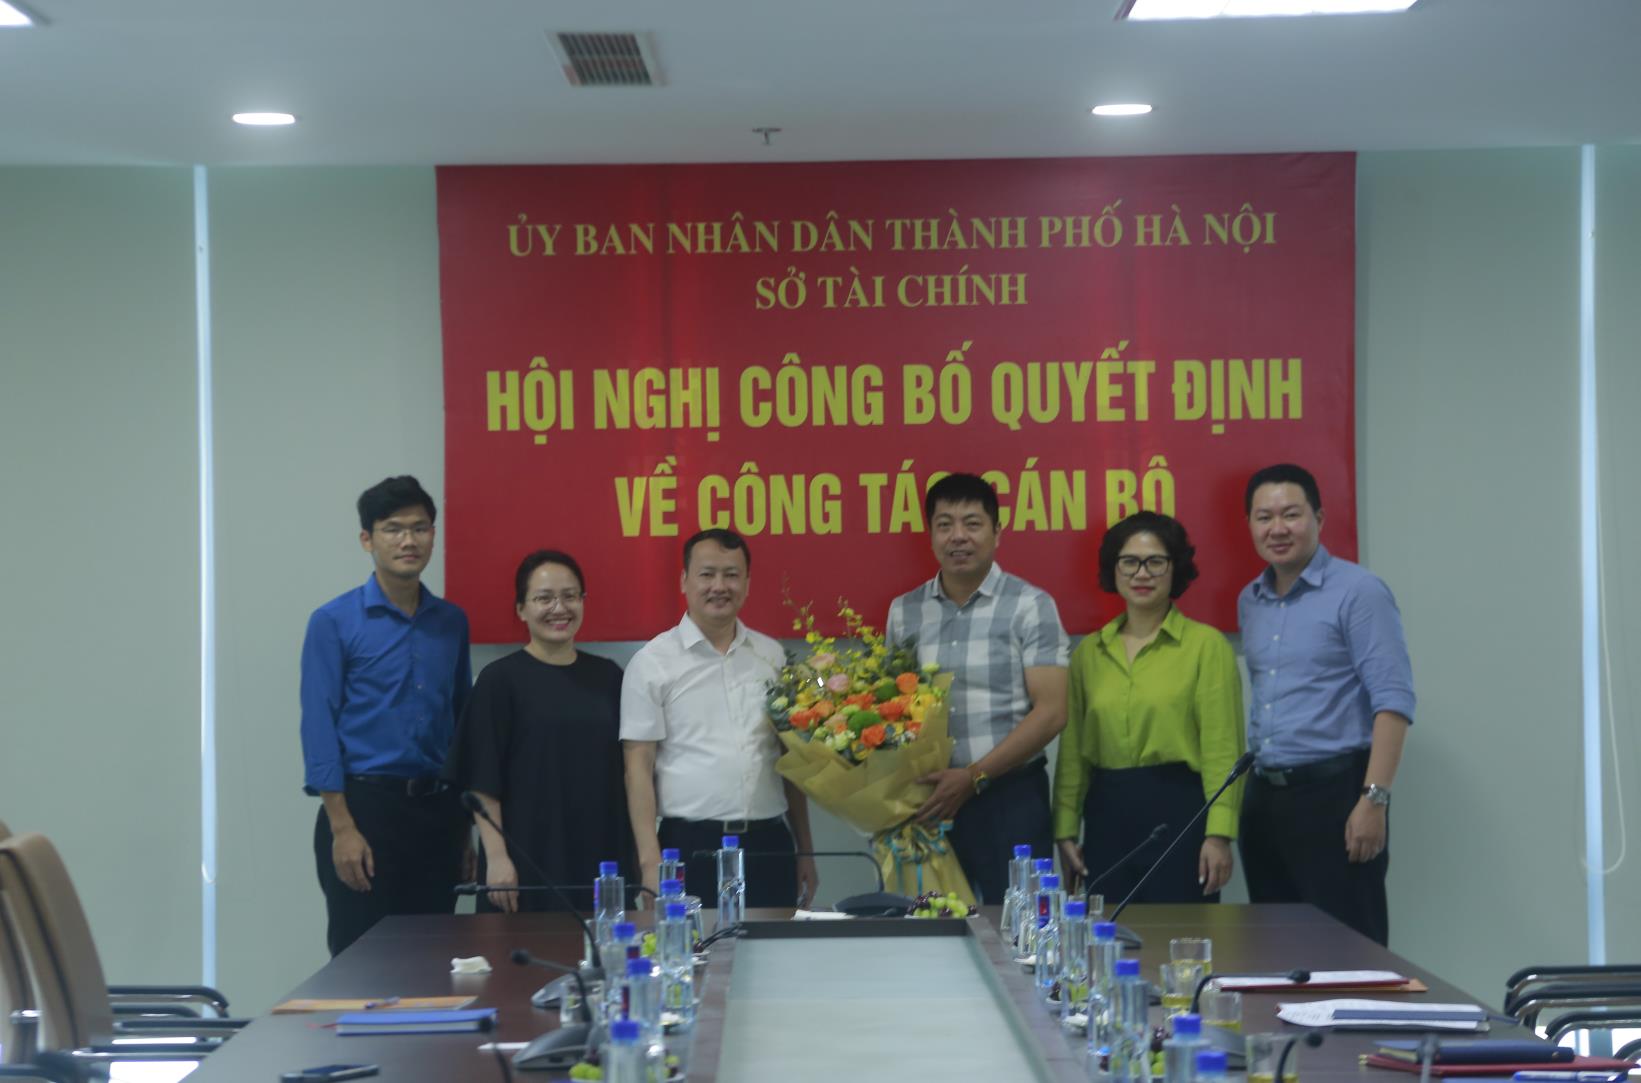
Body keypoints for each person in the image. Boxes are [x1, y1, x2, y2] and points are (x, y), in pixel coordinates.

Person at [1237, 463, 1414, 946]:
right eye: (1264, 517)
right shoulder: (1251, 600)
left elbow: (1393, 701)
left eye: (1291, 514)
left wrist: (1374, 799)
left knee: (1349, 954)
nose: (1277, 528)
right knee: (1274, 952)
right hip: (1264, 800)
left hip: (1336, 797)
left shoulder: (1359, 591)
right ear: (1249, 525)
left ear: (1318, 518)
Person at [299, 476, 472, 956]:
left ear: (433, 535)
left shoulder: (451, 622)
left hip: (437, 814)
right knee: (362, 964)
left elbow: (461, 725)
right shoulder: (333, 622)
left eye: (419, 528)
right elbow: (318, 727)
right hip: (364, 811)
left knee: (434, 959)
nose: (408, 540)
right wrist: (342, 828)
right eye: (393, 529)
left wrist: (464, 830)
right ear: (367, 539)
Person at [885, 473, 1069, 904]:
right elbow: (894, 710)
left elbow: (1051, 712)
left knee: (1019, 925)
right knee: (931, 924)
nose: (958, 537)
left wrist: (973, 776)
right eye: (944, 524)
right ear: (931, 535)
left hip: (1010, 799)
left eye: (972, 523)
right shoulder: (904, 611)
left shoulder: (1030, 605)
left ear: (997, 532)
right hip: (930, 803)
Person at [620, 529, 819, 908]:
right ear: (684, 581)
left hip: (770, 844)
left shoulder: (772, 656)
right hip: (689, 848)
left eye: (731, 575)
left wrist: (805, 850)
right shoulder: (652, 663)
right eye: (707, 574)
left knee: (774, 946)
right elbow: (637, 768)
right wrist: (649, 862)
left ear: (747, 583)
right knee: (695, 946)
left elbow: (790, 760)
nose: (719, 586)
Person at [1052, 512, 1244, 905]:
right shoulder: (1089, 653)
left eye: (1156, 561)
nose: (1142, 573)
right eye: (1130, 562)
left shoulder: (1206, 647)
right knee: (1109, 935)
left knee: (1181, 935)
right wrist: (1065, 829)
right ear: (1114, 569)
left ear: (1175, 568)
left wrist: (1219, 834)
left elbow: (1223, 750)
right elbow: (1072, 754)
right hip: (1106, 817)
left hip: (1181, 815)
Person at [443, 550, 627, 913]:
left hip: (600, 857)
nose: (559, 608)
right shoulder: (498, 681)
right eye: (544, 598)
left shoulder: (610, 677)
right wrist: (497, 858)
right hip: (523, 860)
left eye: (570, 596)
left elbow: (629, 772)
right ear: (521, 609)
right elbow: (481, 781)